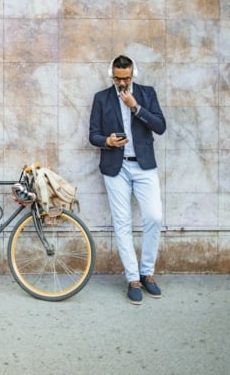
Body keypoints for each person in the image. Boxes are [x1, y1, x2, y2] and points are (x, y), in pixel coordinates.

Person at [88, 55, 167, 305]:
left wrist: (136, 107)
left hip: (144, 166)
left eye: (127, 78)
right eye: (118, 78)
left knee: (154, 217)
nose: (122, 83)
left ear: (134, 74)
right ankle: (133, 279)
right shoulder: (101, 98)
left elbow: (161, 126)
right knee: (122, 223)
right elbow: (93, 135)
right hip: (116, 168)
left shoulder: (146, 94)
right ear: (111, 75)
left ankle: (147, 273)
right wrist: (107, 141)